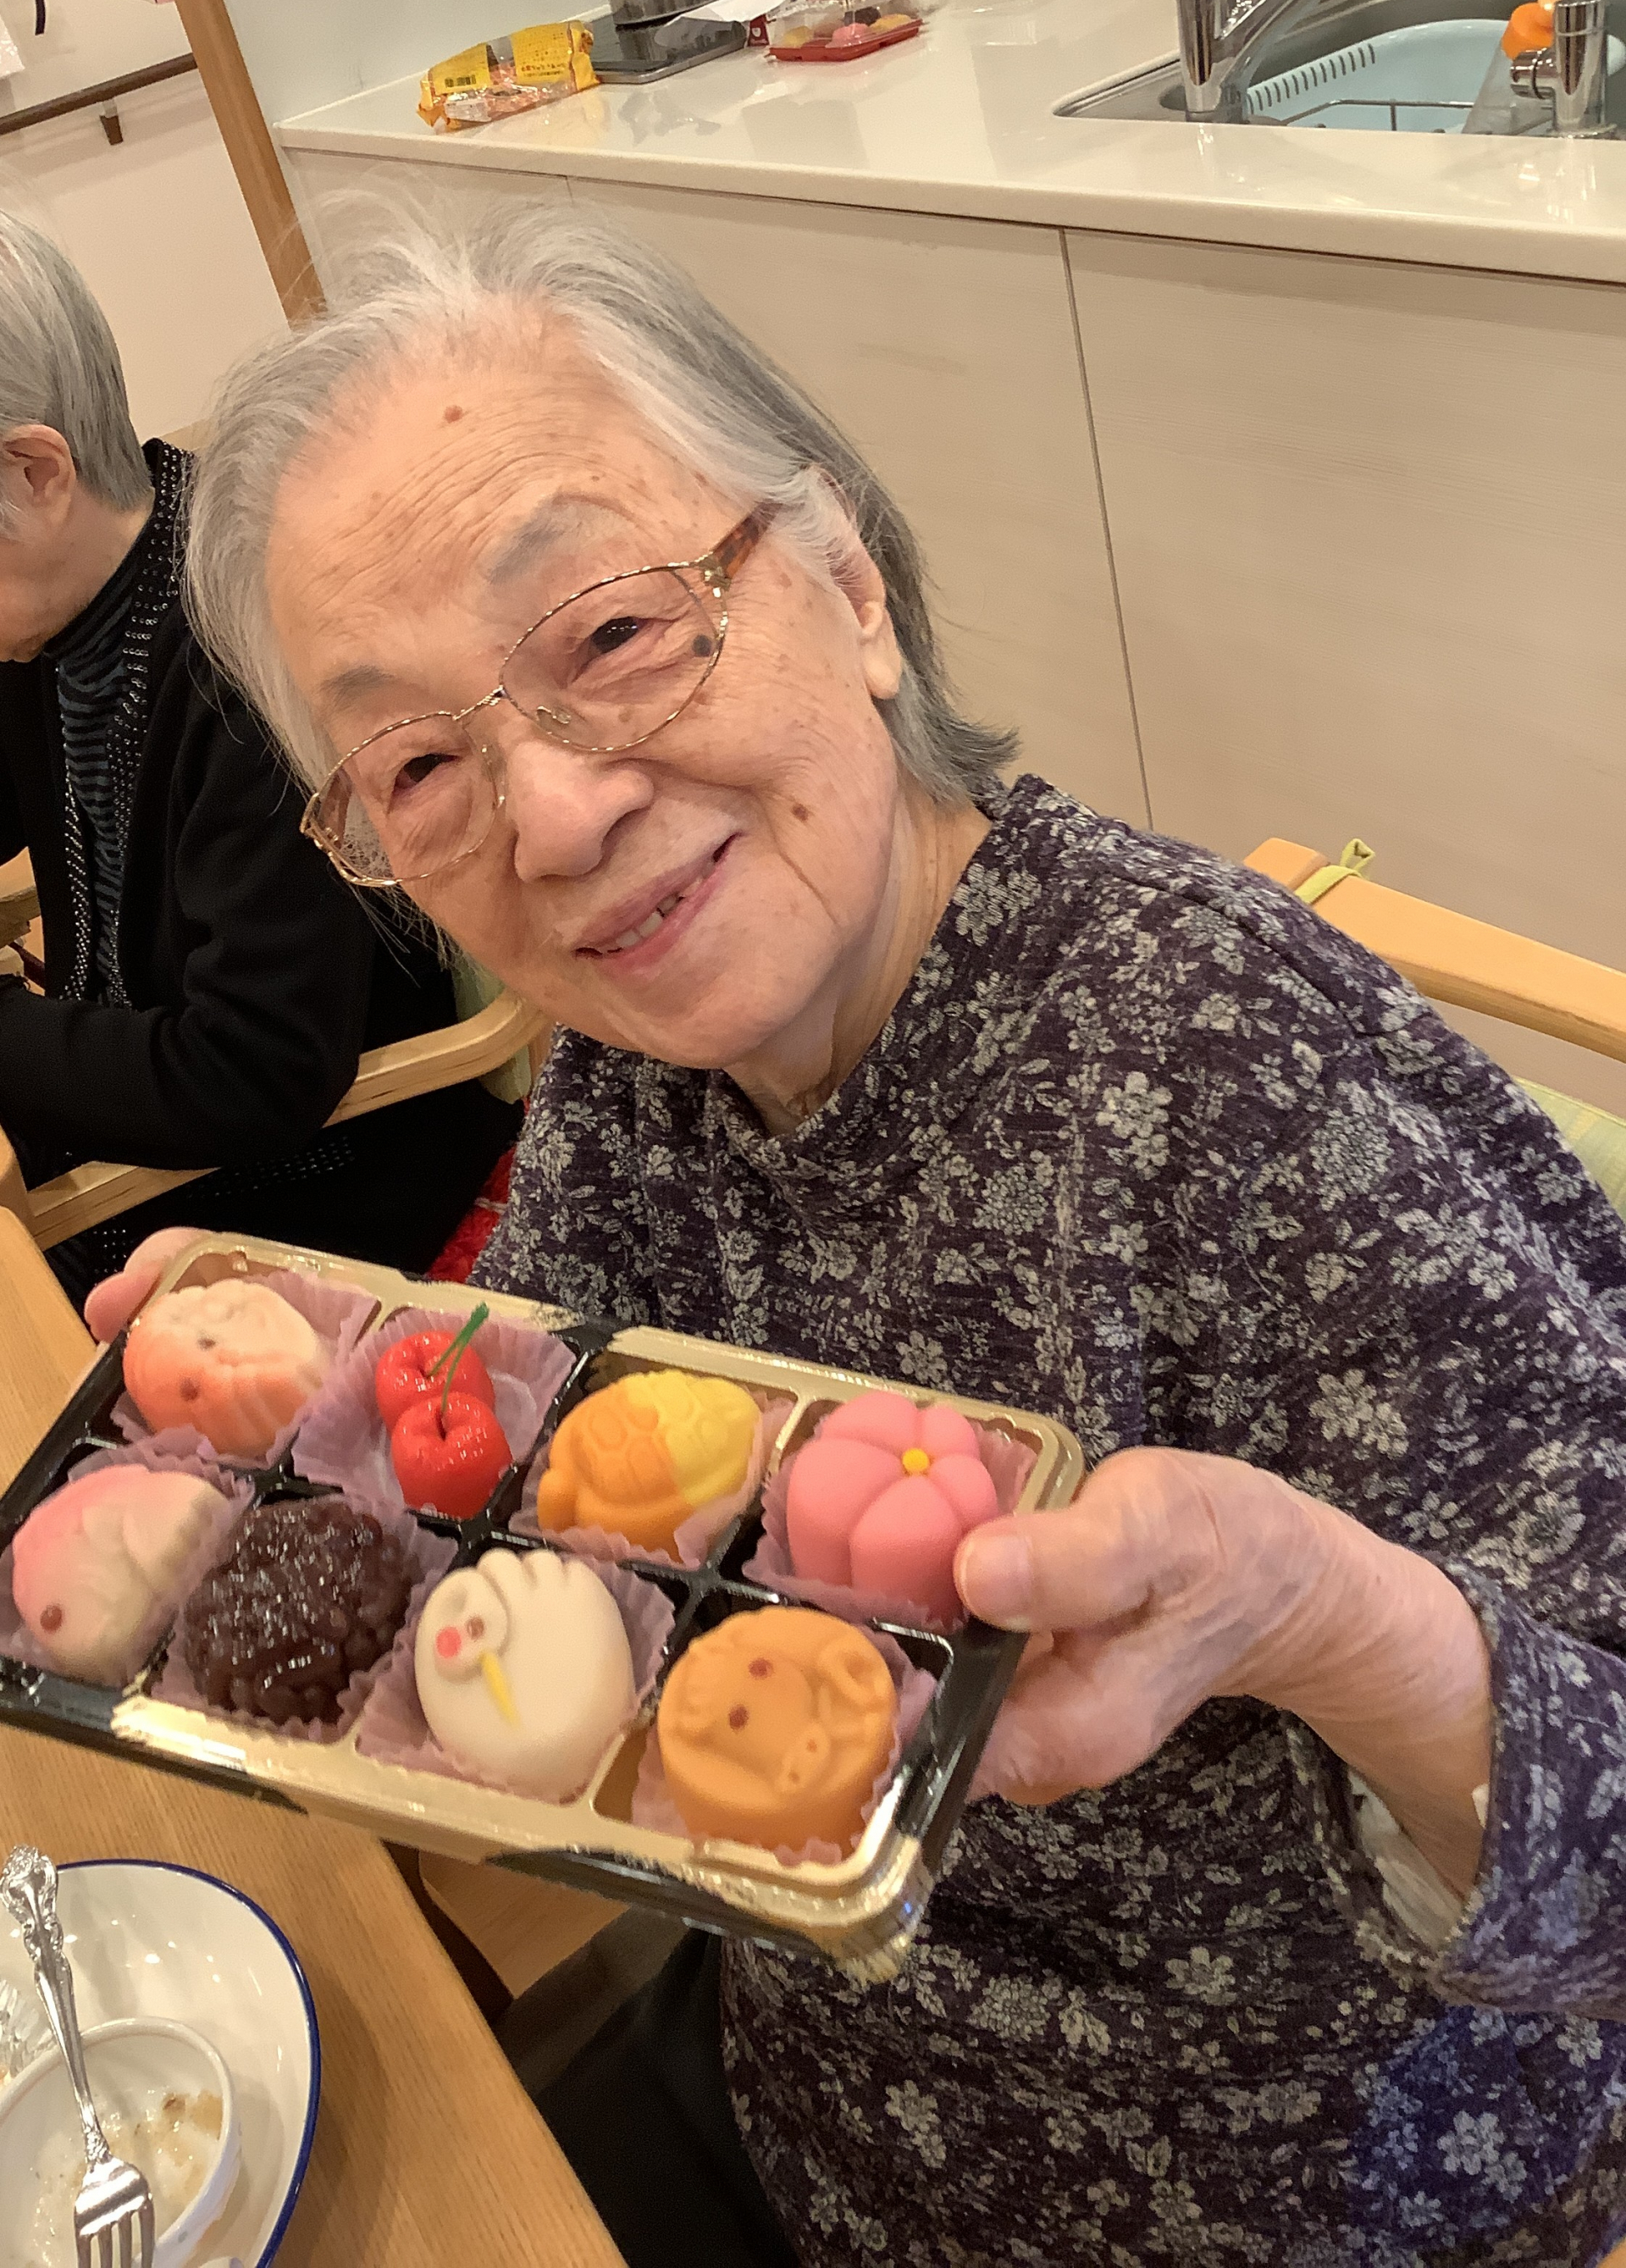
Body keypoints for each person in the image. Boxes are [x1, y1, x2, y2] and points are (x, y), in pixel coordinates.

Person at [92, 210, 1626, 2266]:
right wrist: (287, 1476)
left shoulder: (1230, 1068)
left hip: (1281, 2207)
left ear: (848, 582)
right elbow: (561, 1568)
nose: (554, 819)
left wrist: (1317, 1612)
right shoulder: (630, 1069)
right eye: (423, 764)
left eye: (609, 632)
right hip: (817, 2120)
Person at [0, 212, 517, 1295]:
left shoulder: (246, 653)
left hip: (299, 1200)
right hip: (128, 1127)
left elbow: (253, 1074)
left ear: (37, 472)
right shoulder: (51, 610)